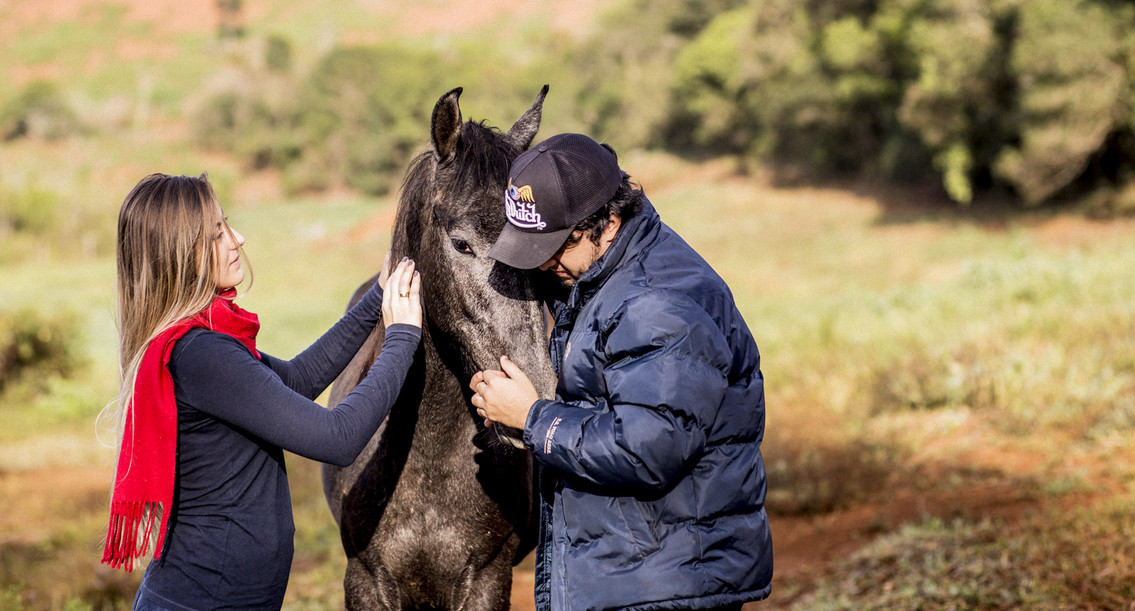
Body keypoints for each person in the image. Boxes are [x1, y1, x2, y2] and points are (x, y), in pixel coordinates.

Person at [469, 133, 772, 610]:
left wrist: (531, 418)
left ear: (607, 223)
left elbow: (647, 451)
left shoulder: (658, 304)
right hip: (637, 574)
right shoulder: (600, 278)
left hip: (665, 585)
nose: (545, 263)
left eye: (555, 247)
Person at [100, 173, 423, 610]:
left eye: (227, 224)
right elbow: (338, 438)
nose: (239, 239)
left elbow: (295, 379)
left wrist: (378, 295)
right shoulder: (201, 353)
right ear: (180, 255)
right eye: (218, 233)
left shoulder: (200, 342)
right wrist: (402, 335)